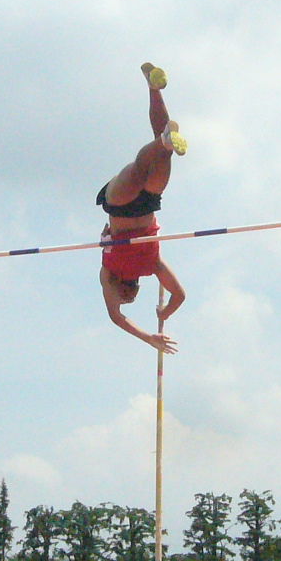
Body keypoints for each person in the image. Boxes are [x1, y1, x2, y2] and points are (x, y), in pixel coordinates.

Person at [97, 63, 187, 353]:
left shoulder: (121, 271)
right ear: (131, 285)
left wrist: (156, 328)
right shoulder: (144, 267)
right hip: (134, 206)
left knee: (148, 160)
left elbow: (116, 316)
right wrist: (163, 316)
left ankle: (162, 132)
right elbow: (178, 296)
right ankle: (154, 92)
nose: (122, 297)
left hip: (131, 205)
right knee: (158, 153)